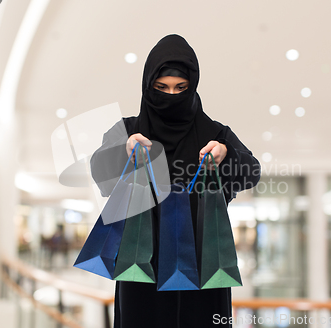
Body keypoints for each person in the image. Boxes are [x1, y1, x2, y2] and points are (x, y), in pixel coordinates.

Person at [90, 34, 260, 328]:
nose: (171, 95)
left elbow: (252, 171)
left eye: (180, 88)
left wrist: (226, 154)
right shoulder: (130, 131)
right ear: (148, 86)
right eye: (162, 87)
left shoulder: (214, 134)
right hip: (142, 270)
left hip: (205, 269)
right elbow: (99, 171)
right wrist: (124, 151)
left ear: (193, 86)